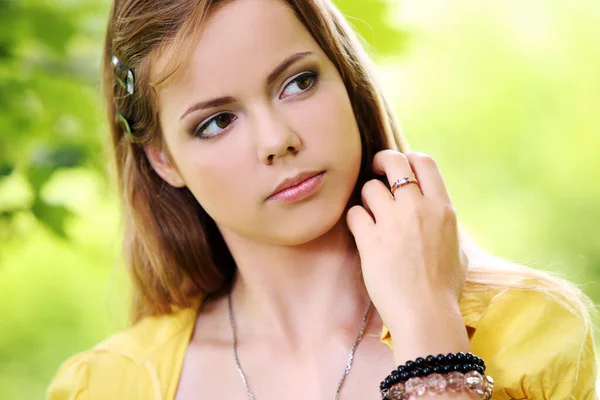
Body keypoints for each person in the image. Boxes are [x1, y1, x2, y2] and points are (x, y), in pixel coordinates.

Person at [47, 0, 598, 399]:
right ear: (164, 159)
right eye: (217, 122)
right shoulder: (102, 386)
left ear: (345, 75)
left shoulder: (531, 330)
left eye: (297, 82)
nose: (276, 140)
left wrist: (429, 329)